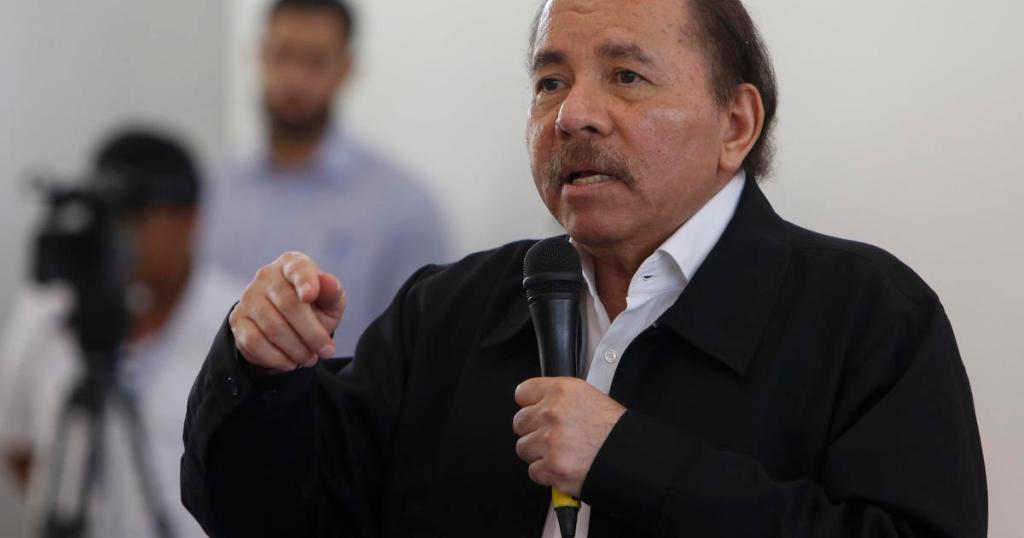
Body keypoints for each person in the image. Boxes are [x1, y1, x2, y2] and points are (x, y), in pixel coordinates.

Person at [181, 0, 988, 536]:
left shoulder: (867, 315)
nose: (572, 114)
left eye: (626, 76)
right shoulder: (450, 310)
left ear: (736, 124)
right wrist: (260, 373)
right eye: (550, 82)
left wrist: (631, 461)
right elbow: (267, 516)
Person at [0, 129, 242, 537]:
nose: (122, 235)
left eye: (138, 219)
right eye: (110, 218)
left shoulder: (237, 322)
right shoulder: (47, 308)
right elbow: (19, 446)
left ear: (190, 219)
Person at [202, 0, 450, 357]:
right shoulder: (213, 192)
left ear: (346, 69)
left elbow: (425, 347)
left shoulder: (403, 207)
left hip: (345, 393)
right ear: (259, 56)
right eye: (282, 55)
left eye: (315, 61)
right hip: (220, 390)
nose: (294, 78)